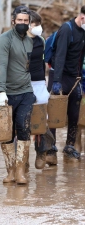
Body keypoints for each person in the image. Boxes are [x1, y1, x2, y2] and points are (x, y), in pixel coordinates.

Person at [0, 6, 35, 184]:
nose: (23, 24)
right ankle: (10, 170)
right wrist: (1, 90)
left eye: (26, 21)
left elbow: (29, 65)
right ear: (13, 21)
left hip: (26, 91)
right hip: (6, 93)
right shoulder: (4, 40)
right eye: (20, 21)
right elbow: (1, 66)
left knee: (24, 127)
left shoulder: (30, 41)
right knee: (6, 134)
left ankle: (20, 171)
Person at [47, 6, 85, 163]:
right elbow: (60, 55)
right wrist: (56, 81)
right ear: (82, 17)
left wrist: (79, 78)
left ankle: (69, 146)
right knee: (55, 113)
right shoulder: (67, 29)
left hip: (74, 78)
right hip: (59, 76)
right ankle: (50, 149)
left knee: (74, 113)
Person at [26, 11, 53, 170]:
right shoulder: (19, 41)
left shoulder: (41, 41)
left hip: (38, 82)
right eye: (34, 25)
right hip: (22, 83)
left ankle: (42, 151)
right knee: (22, 121)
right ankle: (22, 159)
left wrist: (47, 81)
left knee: (42, 118)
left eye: (38, 24)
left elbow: (45, 62)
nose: (37, 28)